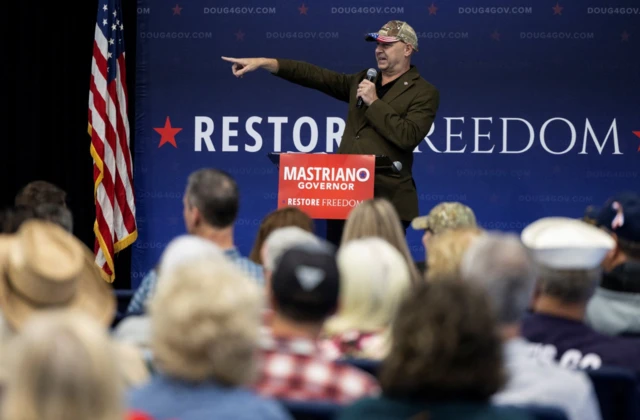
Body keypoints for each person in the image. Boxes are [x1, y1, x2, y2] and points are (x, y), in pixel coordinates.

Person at [222, 20, 440, 245]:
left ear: (407, 49)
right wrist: (265, 63)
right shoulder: (364, 79)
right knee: (339, 265)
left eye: (387, 44)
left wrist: (374, 102)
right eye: (377, 44)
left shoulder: (424, 92)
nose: (378, 49)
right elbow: (315, 75)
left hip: (387, 202)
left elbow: (408, 136)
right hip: (345, 196)